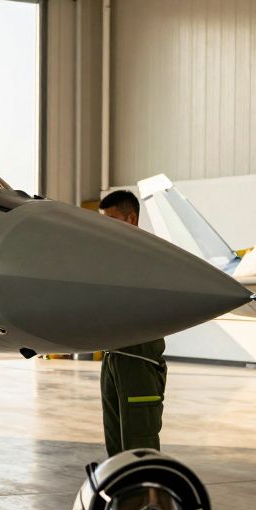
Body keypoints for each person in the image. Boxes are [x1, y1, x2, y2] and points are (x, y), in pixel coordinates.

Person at [98, 190, 167, 457]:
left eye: (112, 219)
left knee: (140, 443)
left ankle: (144, 485)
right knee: (114, 442)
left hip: (139, 361)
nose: (105, 227)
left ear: (132, 218)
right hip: (112, 356)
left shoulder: (151, 256)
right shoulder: (109, 257)